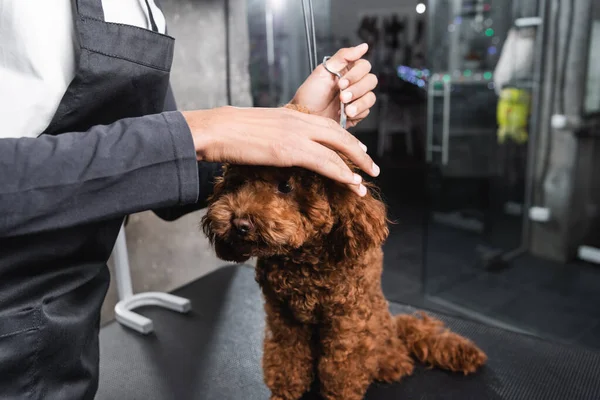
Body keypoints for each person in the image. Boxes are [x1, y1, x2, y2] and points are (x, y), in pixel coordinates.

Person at [0, 0, 379, 398]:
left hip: (67, 338)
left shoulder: (142, 9)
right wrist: (201, 131)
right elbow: (181, 144)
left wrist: (290, 124)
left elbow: (167, 170)